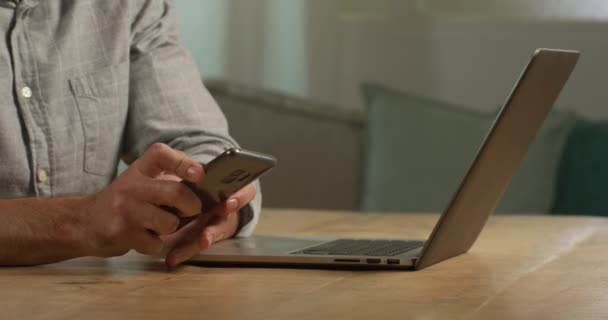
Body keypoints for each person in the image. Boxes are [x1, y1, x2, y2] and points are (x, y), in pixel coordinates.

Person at [0, 0, 261, 267]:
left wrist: (204, 202)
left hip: (95, 294)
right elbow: (91, 222)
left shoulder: (131, 6)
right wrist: (80, 221)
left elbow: (200, 140)